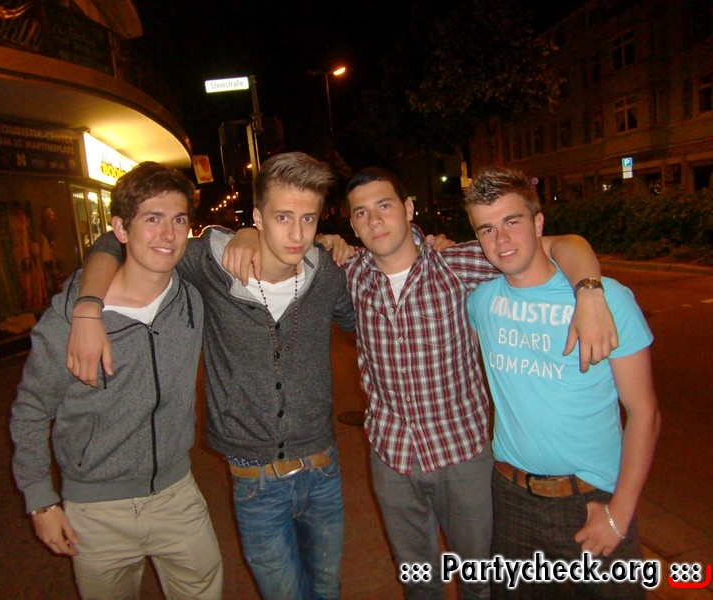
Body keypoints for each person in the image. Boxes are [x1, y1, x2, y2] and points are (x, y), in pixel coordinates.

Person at [222, 166, 617, 600]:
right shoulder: (349, 273)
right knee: (419, 583)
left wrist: (590, 290)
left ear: (409, 209)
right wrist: (247, 233)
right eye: (361, 213)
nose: (375, 220)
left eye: (385, 206)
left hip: (461, 457)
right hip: (392, 459)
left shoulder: (457, 263)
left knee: (479, 581)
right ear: (352, 224)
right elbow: (287, 244)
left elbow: (560, 244)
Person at [65, 152, 356, 600]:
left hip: (323, 470)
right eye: (282, 217)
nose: (297, 234)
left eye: (308, 219)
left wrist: (365, 247)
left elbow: (366, 315)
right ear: (257, 216)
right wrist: (88, 307)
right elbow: (114, 240)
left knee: (328, 588)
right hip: (254, 480)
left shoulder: (327, 274)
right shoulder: (210, 264)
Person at [10, 162, 223, 599]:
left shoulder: (192, 301)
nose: (168, 234)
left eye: (179, 220)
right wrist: (40, 499)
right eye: (152, 218)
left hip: (177, 497)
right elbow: (31, 409)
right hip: (95, 510)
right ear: (121, 229)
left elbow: (241, 246)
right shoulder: (69, 318)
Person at [464, 166, 660, 598]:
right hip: (512, 500)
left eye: (512, 222)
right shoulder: (481, 303)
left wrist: (619, 513)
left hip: (591, 501)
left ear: (538, 224)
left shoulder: (607, 300)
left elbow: (644, 413)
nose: (501, 240)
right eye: (487, 229)